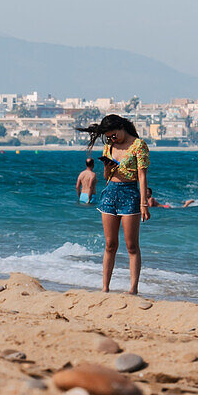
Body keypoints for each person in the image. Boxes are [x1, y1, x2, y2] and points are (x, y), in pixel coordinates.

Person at [77, 114, 150, 295]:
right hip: (110, 193)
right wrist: (109, 167)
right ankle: (105, 288)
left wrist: (143, 204)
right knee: (110, 244)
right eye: (108, 137)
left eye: (114, 135)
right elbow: (105, 176)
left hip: (130, 194)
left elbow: (142, 176)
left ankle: (133, 289)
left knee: (131, 246)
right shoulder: (109, 146)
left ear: (121, 127)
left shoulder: (138, 146)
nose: (111, 139)